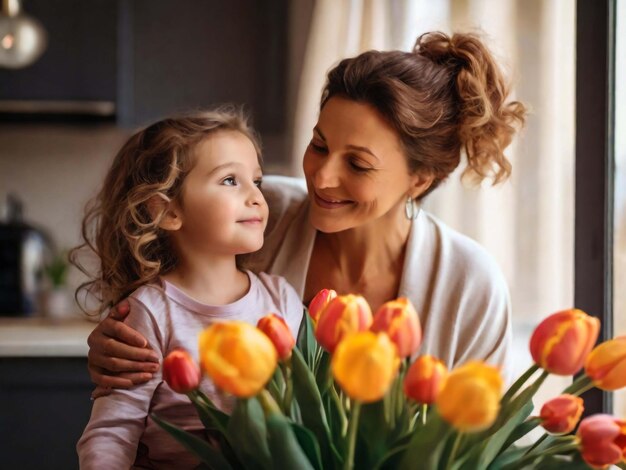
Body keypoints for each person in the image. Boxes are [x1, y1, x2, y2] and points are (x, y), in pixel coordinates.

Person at [85, 31, 527, 395]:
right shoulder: (261, 215)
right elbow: (161, 301)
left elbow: (474, 446)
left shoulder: (468, 285)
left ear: (419, 180)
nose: (322, 176)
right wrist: (118, 341)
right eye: (319, 145)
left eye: (357, 164)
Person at [73, 109, 304, 469]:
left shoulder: (281, 299)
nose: (257, 197)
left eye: (256, 181)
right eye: (230, 181)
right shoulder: (149, 312)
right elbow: (114, 430)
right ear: (167, 211)